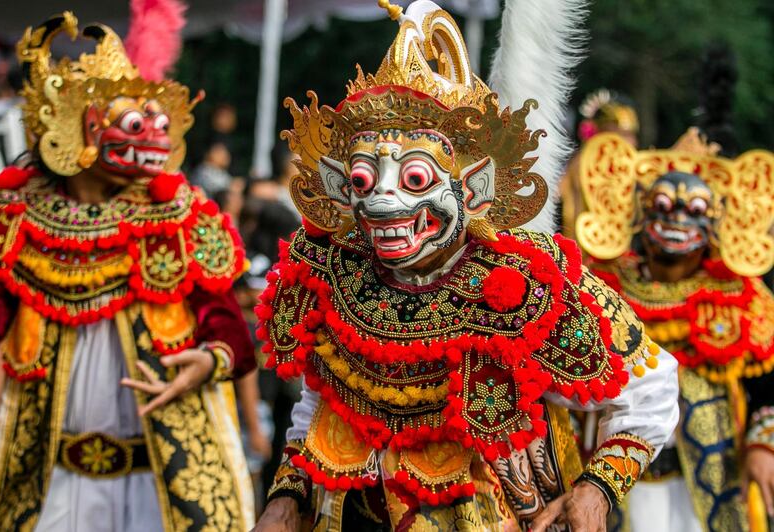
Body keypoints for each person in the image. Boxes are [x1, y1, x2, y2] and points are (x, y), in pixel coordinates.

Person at [253, 1, 679, 530]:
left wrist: (597, 490)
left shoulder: (527, 285)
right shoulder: (338, 273)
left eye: (413, 181)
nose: (383, 202)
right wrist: (287, 496)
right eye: (364, 181)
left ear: (472, 190)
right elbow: (317, 404)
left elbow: (652, 388)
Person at [0, 12, 257, 530]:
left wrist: (209, 361)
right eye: (132, 122)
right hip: (49, 479)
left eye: (155, 121)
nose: (153, 134)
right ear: (72, 127)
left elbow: (231, 332)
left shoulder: (179, 214)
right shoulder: (17, 217)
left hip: (164, 486)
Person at [575, 127, 774, 531]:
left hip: (713, 476)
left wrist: (763, 444)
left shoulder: (741, 294)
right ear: (640, 212)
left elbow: (769, 386)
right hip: (612, 478)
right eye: (662, 205)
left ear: (716, 221)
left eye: (694, 210)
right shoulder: (598, 286)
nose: (676, 220)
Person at [559, 89, 639, 239]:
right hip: (581, 237)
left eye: (631, 135)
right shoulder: (580, 163)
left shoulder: (631, 167)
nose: (630, 143)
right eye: (621, 135)